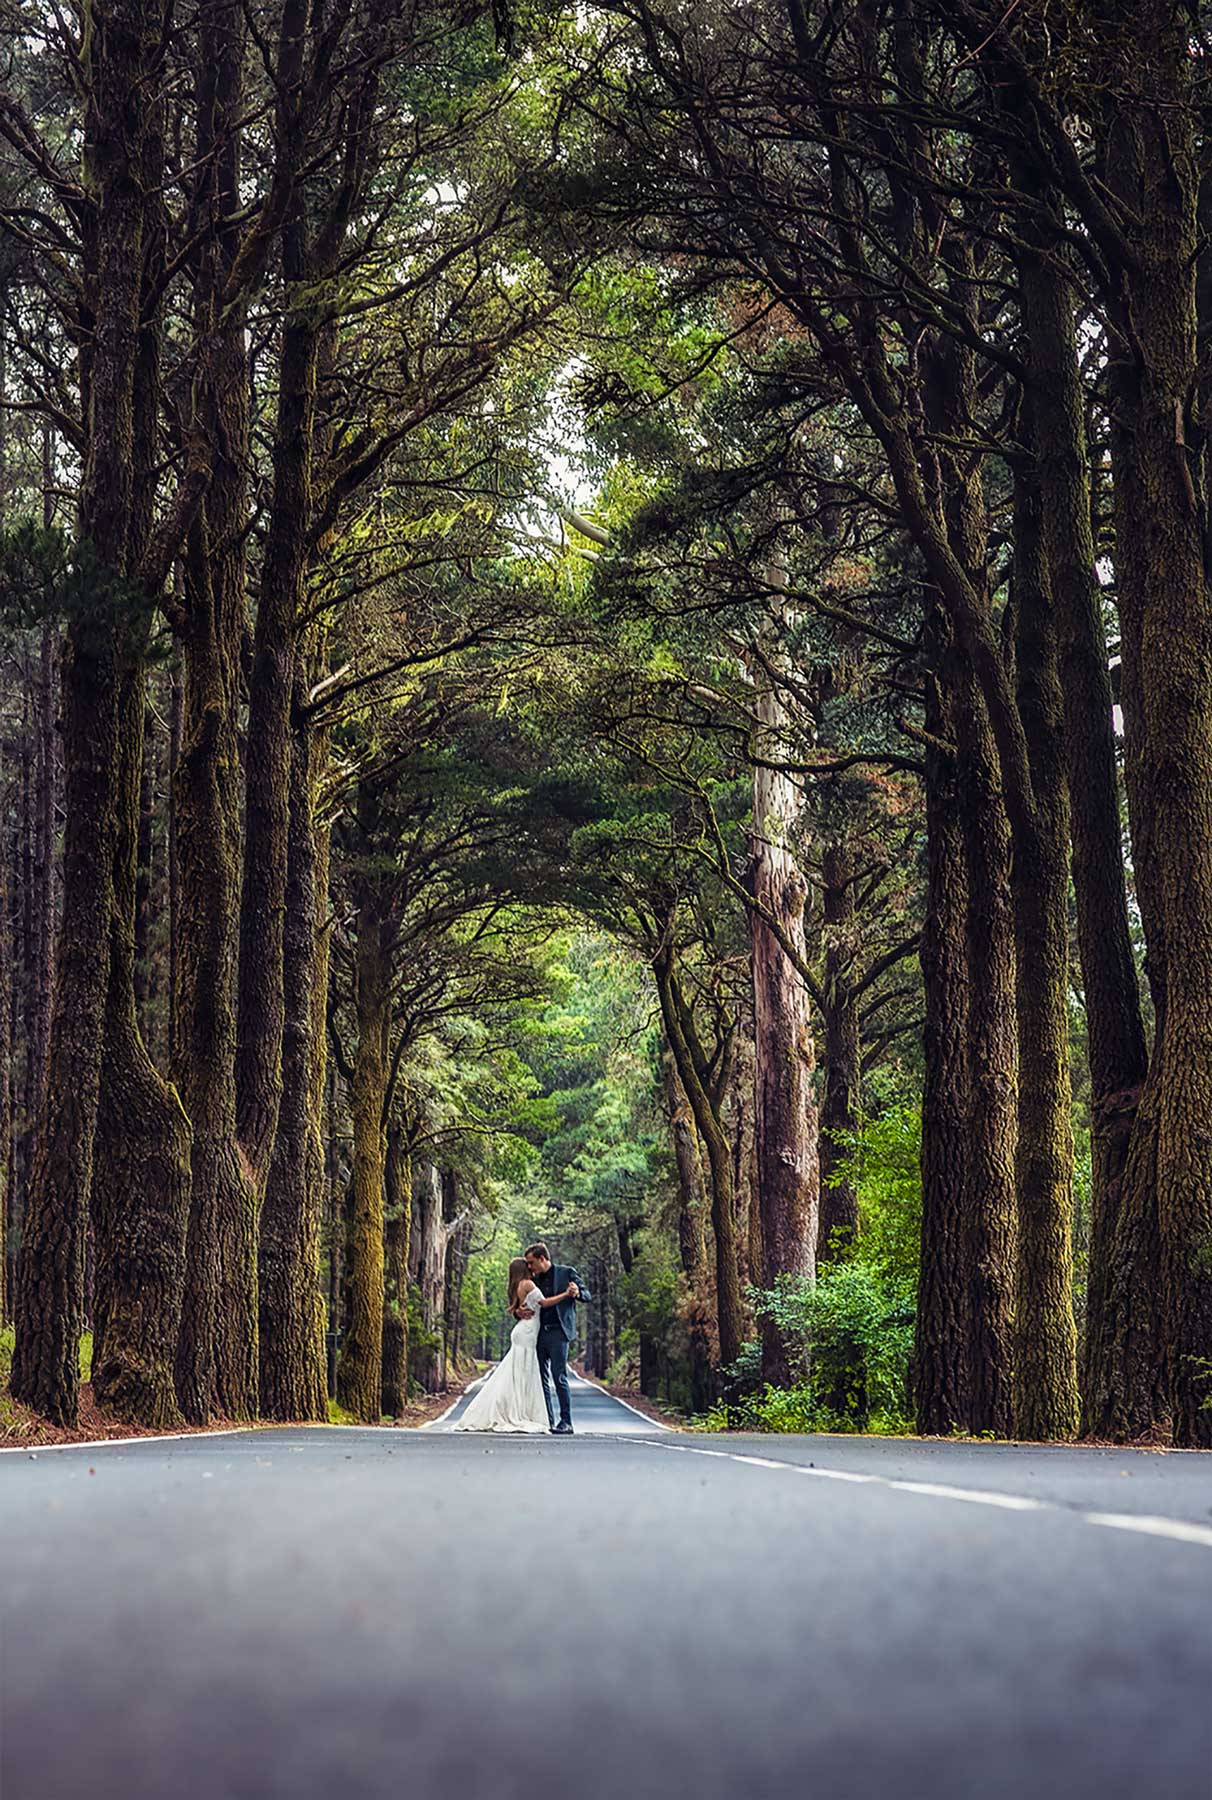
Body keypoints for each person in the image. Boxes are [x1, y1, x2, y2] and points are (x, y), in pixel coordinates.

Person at [452, 1258, 575, 1434]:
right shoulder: (527, 1284)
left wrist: (518, 1311)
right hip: (527, 1331)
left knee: (518, 1372)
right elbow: (544, 1303)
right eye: (528, 1265)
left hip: (525, 1330)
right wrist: (565, 1295)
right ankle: (516, 1411)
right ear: (524, 1269)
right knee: (522, 1372)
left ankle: (518, 1409)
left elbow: (517, 1308)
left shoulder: (517, 1285)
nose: (531, 1267)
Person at [524, 1242, 592, 1435]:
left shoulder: (566, 1273)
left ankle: (566, 1421)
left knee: (559, 1376)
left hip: (558, 1332)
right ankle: (547, 1419)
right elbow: (520, 1299)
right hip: (536, 1332)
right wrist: (518, 1312)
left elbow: (587, 1295)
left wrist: (577, 1293)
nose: (529, 1267)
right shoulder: (531, 1279)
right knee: (540, 1378)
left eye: (531, 1262)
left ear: (542, 1259)